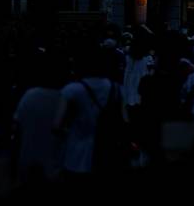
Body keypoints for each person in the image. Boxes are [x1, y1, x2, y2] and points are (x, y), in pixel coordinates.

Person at [52, 44, 122, 178]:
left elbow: (56, 125)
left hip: (74, 156)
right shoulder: (115, 88)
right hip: (105, 155)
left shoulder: (71, 90)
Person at [12, 50, 67, 186]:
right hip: (56, 168)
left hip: (29, 164)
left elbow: (17, 130)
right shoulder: (65, 98)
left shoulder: (29, 96)